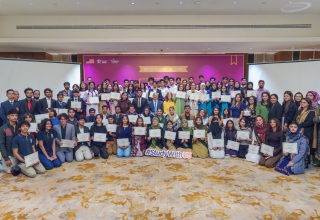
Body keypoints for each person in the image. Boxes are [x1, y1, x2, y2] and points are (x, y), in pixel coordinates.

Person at [297, 98, 315, 164]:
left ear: (308, 103)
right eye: (301, 102)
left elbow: (309, 122)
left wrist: (298, 125)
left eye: (304, 102)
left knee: (306, 147)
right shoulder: (299, 111)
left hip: (307, 132)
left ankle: (306, 162)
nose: (302, 103)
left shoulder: (311, 112)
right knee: (299, 147)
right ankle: (298, 161)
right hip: (298, 131)